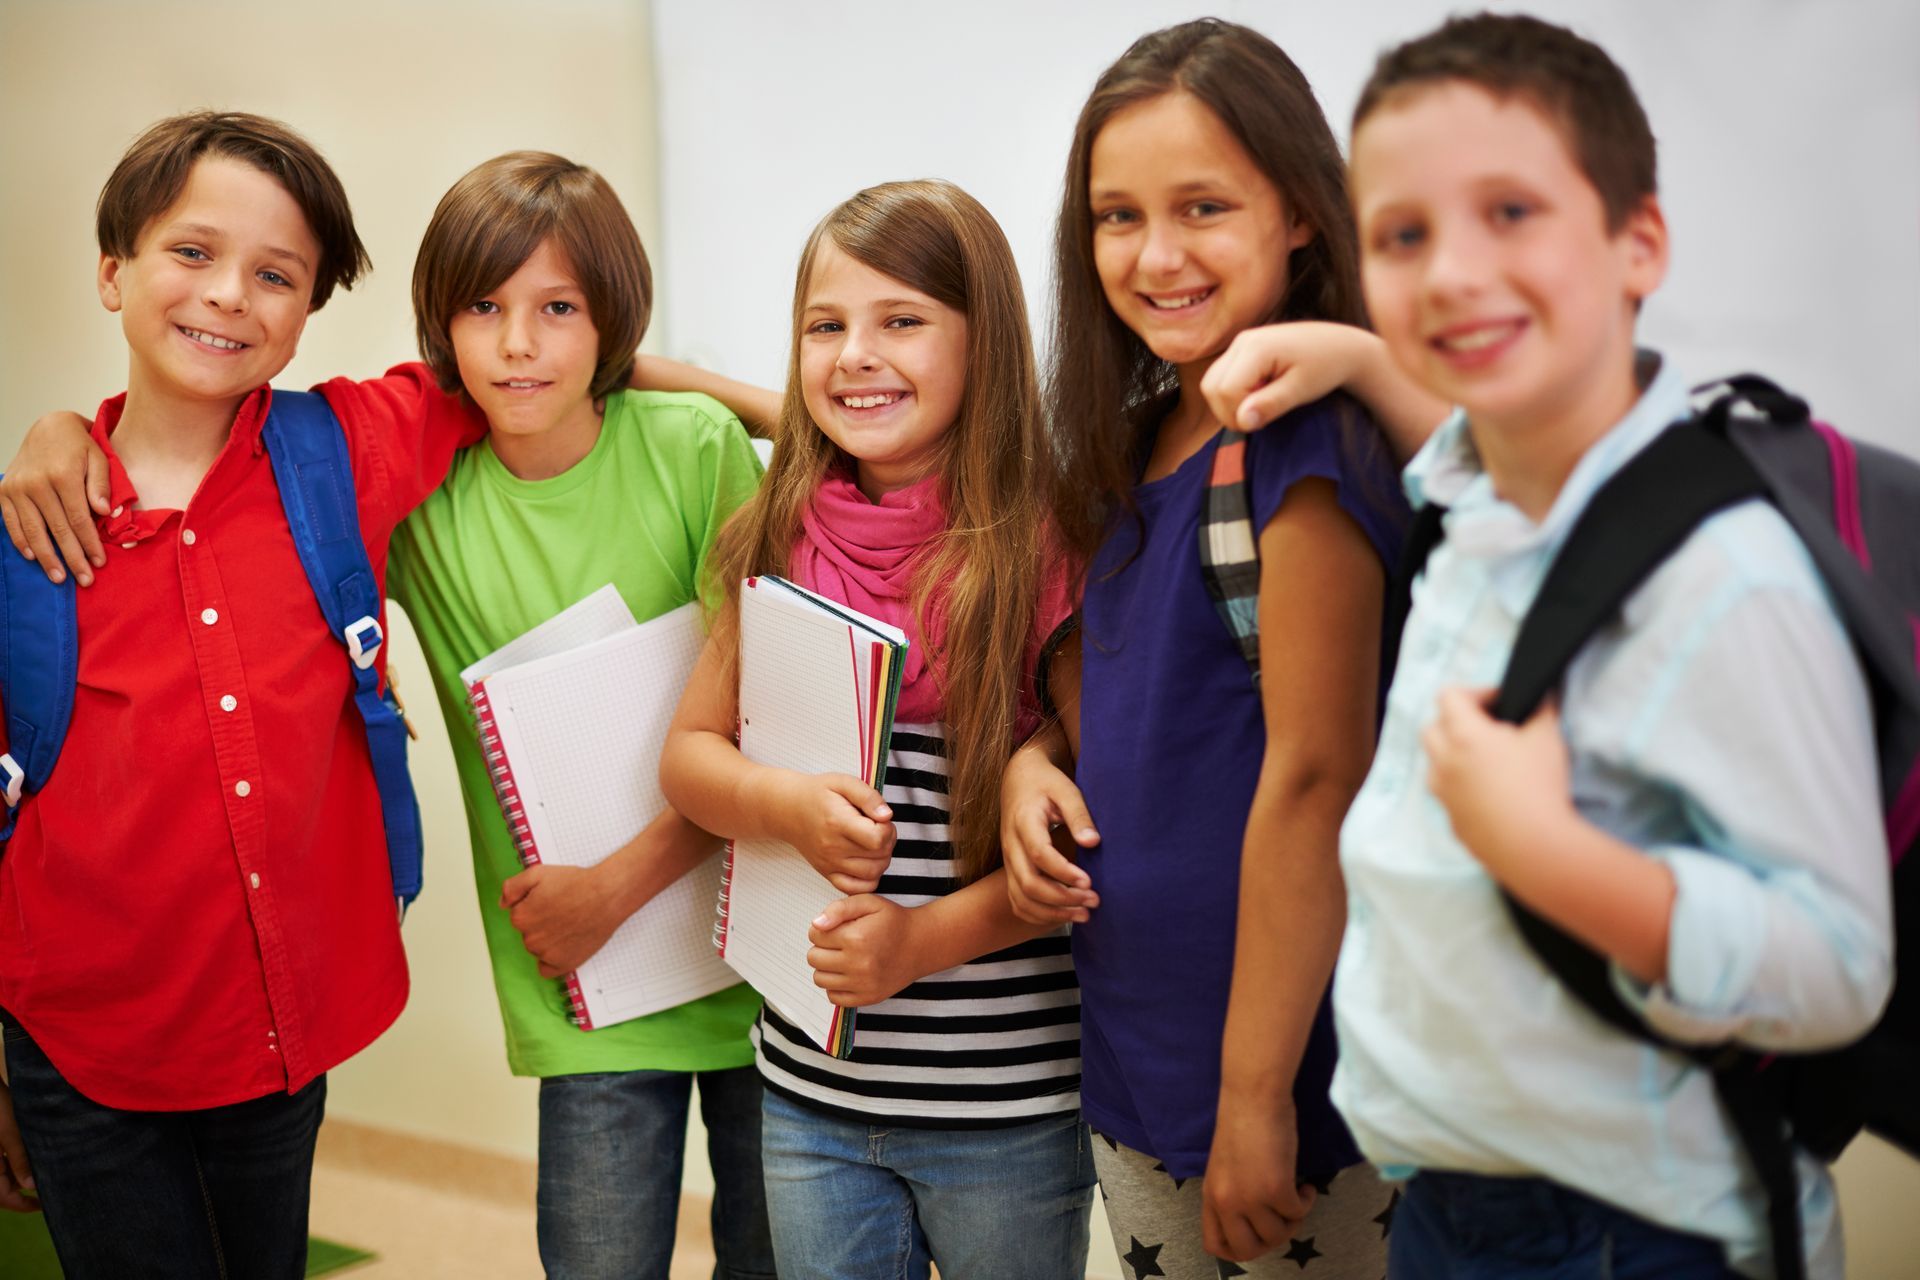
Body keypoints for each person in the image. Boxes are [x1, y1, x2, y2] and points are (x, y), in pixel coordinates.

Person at [1331, 14, 1890, 1278]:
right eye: (1402, 235)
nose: (1453, 273)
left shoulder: (1720, 575)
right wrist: (1344, 357)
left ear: (1639, 240)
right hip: (1449, 1209)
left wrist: (1545, 851)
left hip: (1627, 1233)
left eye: (1511, 212)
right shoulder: (1475, 505)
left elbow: (1838, 964)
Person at [0, 111, 486, 1278]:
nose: (230, 295)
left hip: (282, 1042)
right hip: (80, 1053)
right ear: (113, 270)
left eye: (277, 275)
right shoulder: (27, 532)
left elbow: (541, 367)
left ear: (310, 307)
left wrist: (790, 417)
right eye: (192, 253)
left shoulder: (349, 448)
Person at [1000, 20, 1419, 1279]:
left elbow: (1312, 774)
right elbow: (1128, 699)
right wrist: (1033, 761)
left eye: (1202, 207)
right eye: (1118, 215)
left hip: (1282, 1087)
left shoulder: (1304, 444)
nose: (1157, 253)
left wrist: (1255, 1099)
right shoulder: (1135, 441)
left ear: (1298, 212)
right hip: (1140, 1055)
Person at [658, 179, 1090, 1280]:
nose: (856, 353)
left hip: (1007, 1108)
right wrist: (784, 804)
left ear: (983, 342)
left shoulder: (1051, 548)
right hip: (808, 1098)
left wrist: (914, 944)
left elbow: (1085, 846)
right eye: (825, 325)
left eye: (901, 320)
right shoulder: (777, 534)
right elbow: (690, 760)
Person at [387, 151, 774, 1280]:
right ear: (442, 324)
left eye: (560, 308)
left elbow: (768, 710)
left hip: (751, 946)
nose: (519, 344)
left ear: (611, 324)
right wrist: (61, 433)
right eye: (485, 307)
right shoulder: (420, 499)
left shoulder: (694, 448)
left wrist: (689, 377)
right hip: (584, 987)